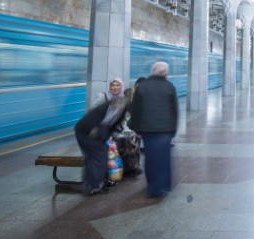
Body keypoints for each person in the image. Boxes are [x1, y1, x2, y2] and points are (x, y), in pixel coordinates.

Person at [129, 61, 178, 198]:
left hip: (148, 130)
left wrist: (137, 128)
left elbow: (136, 110)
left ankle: (153, 188)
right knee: (164, 158)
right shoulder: (170, 87)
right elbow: (174, 110)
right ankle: (164, 185)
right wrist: (173, 129)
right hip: (165, 130)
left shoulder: (142, 86)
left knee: (151, 159)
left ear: (153, 71)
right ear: (165, 73)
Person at [74, 92, 130, 196]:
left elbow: (113, 124)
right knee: (99, 155)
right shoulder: (119, 105)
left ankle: (92, 185)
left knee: (93, 157)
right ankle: (94, 186)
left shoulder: (119, 104)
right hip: (87, 132)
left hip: (85, 130)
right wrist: (104, 140)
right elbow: (106, 123)